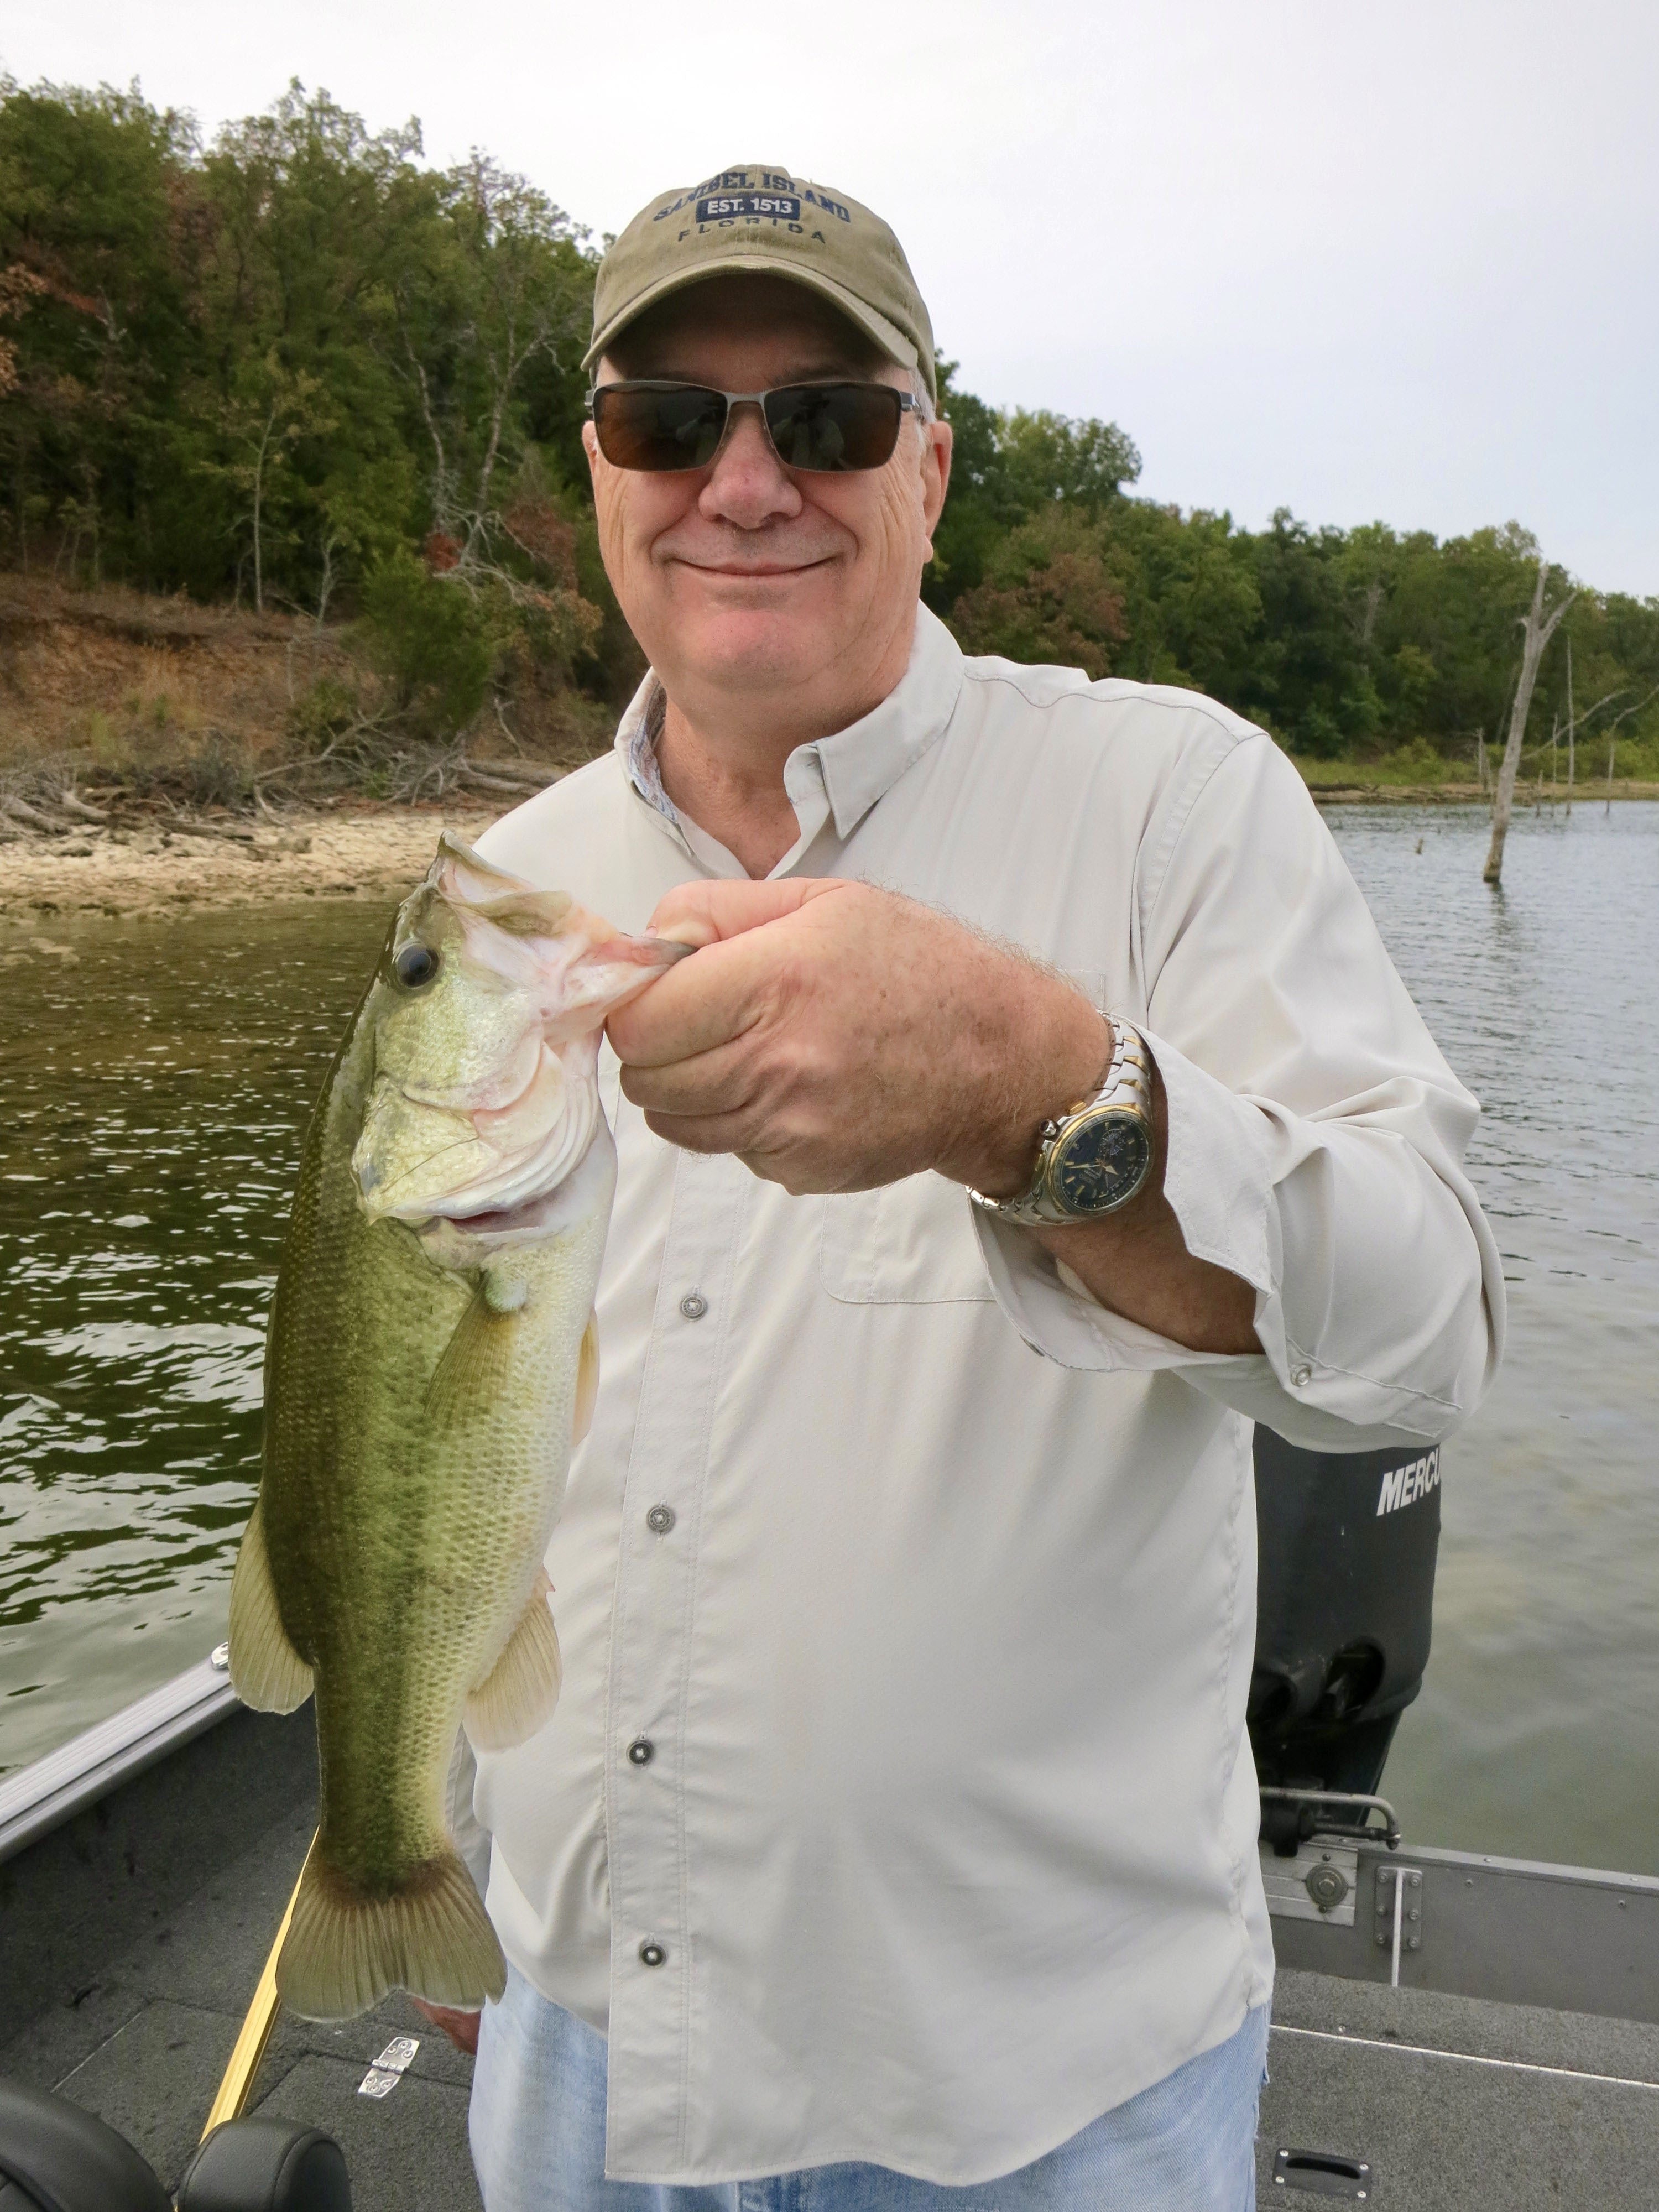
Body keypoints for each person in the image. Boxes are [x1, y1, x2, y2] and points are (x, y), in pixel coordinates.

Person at [428, 165, 1504, 2210]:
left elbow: (1426, 1338)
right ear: (598, 473)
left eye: (824, 415)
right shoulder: (501, 896)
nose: (746, 479)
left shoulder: (1178, 799)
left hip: (1045, 2103)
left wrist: (1037, 1094)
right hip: (582, 2060)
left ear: (931, 464)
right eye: (672, 418)